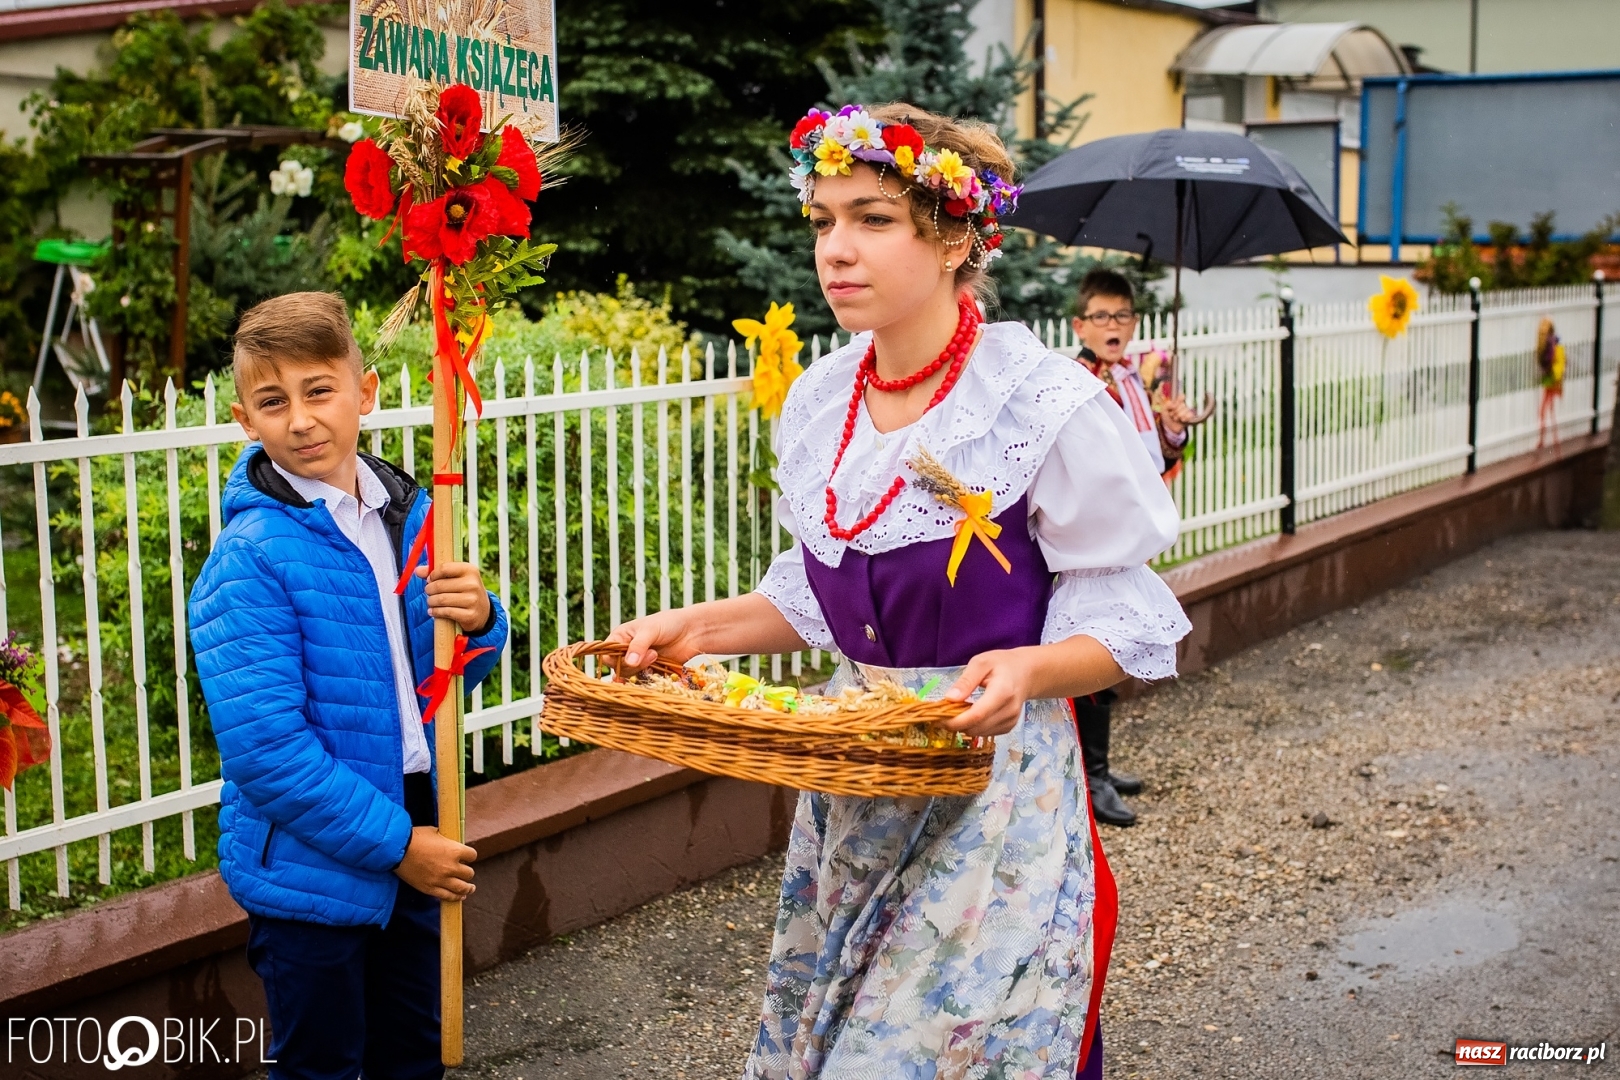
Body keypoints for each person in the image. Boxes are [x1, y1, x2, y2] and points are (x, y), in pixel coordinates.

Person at [609, 104, 1190, 1079]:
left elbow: (1131, 618)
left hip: (993, 791)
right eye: (823, 219)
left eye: (872, 218)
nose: (837, 248)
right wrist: (693, 628)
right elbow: (817, 594)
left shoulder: (1035, 401)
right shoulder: (821, 399)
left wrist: (1031, 666)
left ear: (956, 234)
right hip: (861, 782)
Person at [189, 292, 508, 1080]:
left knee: (413, 1054)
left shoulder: (414, 512)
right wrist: (401, 849)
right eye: (273, 401)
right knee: (322, 1066)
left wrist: (482, 622)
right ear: (244, 419)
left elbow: (438, 679)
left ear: (364, 393)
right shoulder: (251, 558)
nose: (300, 419)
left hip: (416, 811)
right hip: (312, 865)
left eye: (319, 390)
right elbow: (268, 752)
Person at [1067, 268, 1199, 828]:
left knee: (1115, 642)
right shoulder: (1078, 382)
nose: (1112, 325)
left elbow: (1158, 457)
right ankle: (1089, 777)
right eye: (1101, 316)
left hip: (1129, 531)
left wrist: (1174, 428)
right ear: (1081, 325)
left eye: (1122, 315)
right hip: (1095, 536)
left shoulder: (1137, 380)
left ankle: (1098, 765)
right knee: (1095, 643)